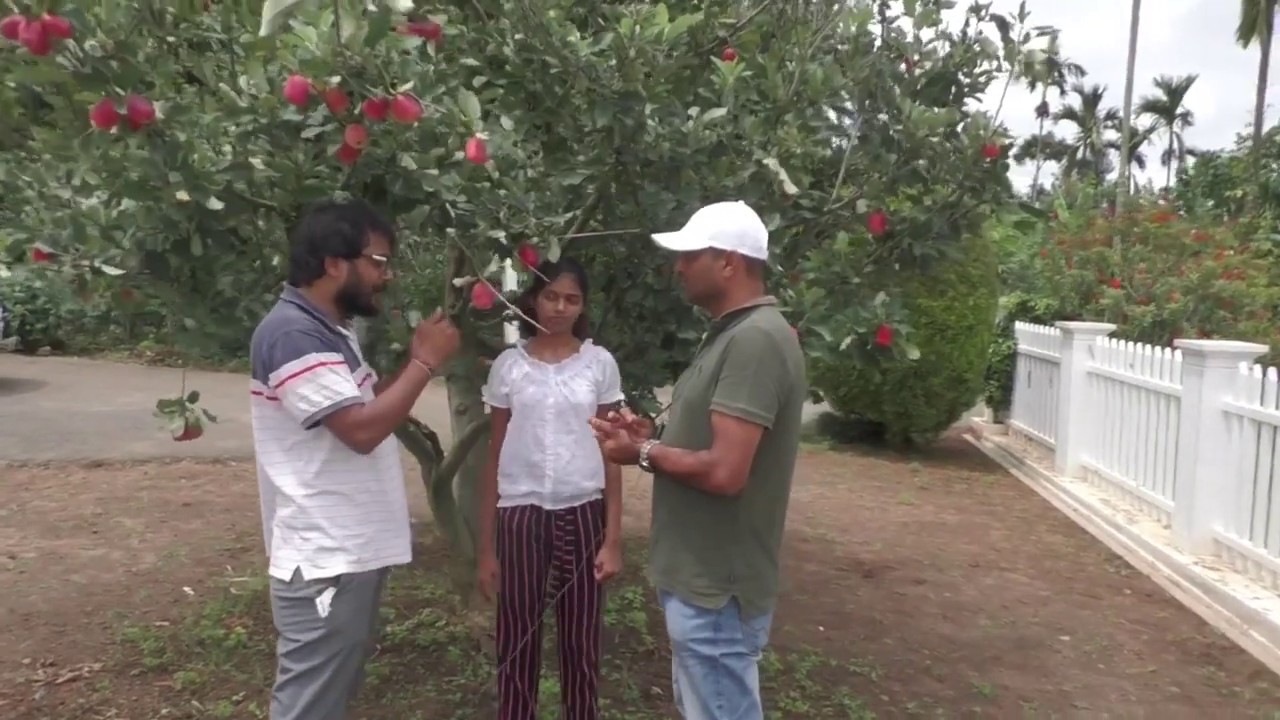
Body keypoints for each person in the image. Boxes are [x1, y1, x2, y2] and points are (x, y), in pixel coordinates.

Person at [589, 200, 807, 720]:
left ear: (729, 262)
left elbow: (728, 472)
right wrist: (651, 434)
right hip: (703, 585)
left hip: (717, 591)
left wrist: (640, 452)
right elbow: (712, 442)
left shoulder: (755, 340)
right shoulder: (734, 335)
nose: (678, 267)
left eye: (690, 255)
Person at [248, 198, 461, 720]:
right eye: (378, 262)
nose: (385, 277)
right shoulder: (294, 334)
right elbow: (361, 431)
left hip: (342, 553)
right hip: (325, 558)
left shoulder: (327, 330)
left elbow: (363, 409)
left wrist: (413, 361)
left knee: (325, 697)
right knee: (309, 704)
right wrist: (424, 363)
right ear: (333, 263)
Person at [476, 256, 625, 720]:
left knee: (580, 641)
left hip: (584, 513)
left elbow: (613, 453)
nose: (560, 307)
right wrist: (486, 548)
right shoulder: (509, 367)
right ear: (533, 300)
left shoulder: (598, 364)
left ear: (582, 307)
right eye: (551, 296)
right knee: (516, 636)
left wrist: (614, 539)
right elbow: (495, 455)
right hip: (520, 516)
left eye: (571, 299)